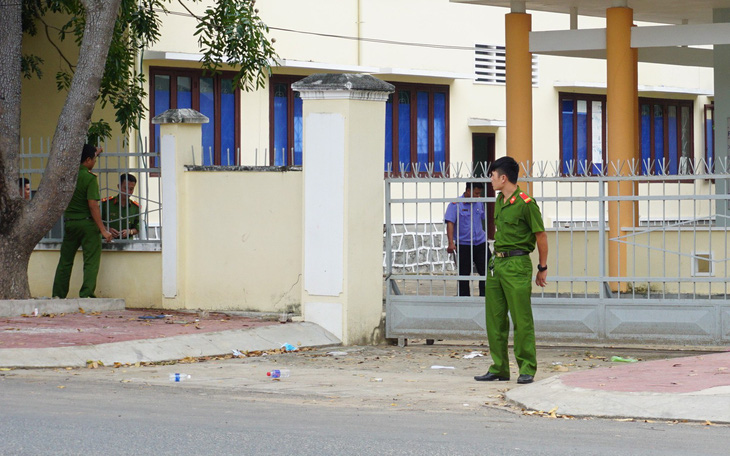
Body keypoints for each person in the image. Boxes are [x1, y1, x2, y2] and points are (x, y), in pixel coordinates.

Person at [474, 156, 548, 385]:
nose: (490, 180)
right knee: (494, 319)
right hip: (497, 263)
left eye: (493, 176)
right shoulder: (499, 200)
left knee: (521, 318)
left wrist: (542, 267)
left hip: (517, 264)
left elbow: (541, 236)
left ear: (503, 178)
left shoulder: (526, 203)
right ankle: (499, 368)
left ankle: (527, 368)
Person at [52, 144, 113, 298]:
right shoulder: (89, 178)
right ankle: (86, 294)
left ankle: (58, 295)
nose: (95, 162)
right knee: (91, 261)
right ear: (87, 160)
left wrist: (95, 153)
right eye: (94, 159)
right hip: (87, 225)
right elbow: (93, 206)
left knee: (65, 261)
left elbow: (86, 161)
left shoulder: (69, 176)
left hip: (70, 223)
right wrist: (103, 230)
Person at [445, 182, 489, 297]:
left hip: (480, 243)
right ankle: (464, 299)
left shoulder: (479, 203)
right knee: (464, 274)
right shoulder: (456, 204)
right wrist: (450, 243)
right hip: (464, 244)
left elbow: (483, 218)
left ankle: (485, 297)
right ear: (468, 191)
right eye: (476, 193)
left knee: (487, 271)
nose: (478, 196)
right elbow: (450, 223)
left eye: (479, 194)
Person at [102, 173, 140, 239]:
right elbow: (95, 222)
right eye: (125, 188)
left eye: (131, 189)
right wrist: (107, 229)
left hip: (127, 244)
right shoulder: (106, 204)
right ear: (119, 186)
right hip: (108, 243)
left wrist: (130, 232)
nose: (128, 192)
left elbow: (138, 228)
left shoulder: (135, 207)